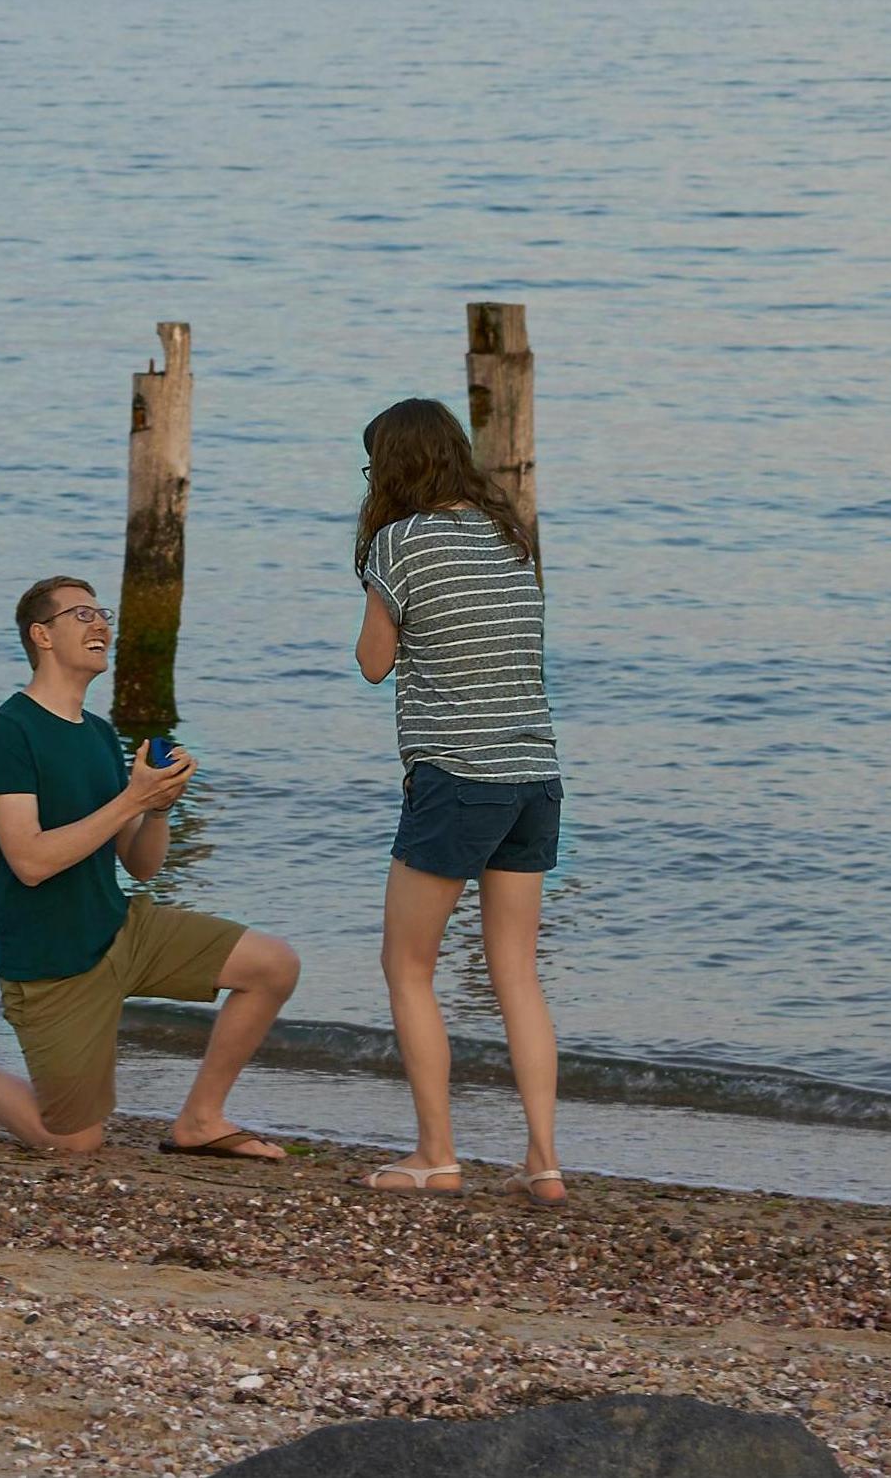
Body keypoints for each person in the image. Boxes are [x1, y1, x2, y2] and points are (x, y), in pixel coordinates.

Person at [0, 575, 300, 1158]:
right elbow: (30, 861)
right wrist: (133, 799)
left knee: (274, 966)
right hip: (53, 963)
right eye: (82, 615)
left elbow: (140, 865)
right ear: (41, 635)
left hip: (121, 928)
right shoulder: (6, 732)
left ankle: (200, 1120)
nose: (102, 626)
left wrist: (158, 808)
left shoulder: (99, 734)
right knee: (73, 1142)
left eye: (102, 614)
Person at [352, 398, 567, 1205]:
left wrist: (384, 599)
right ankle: (543, 1161)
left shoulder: (397, 543)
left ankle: (436, 1154)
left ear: (396, 466)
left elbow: (374, 663)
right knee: (517, 973)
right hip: (534, 775)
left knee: (407, 966)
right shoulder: (510, 537)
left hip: (457, 777)